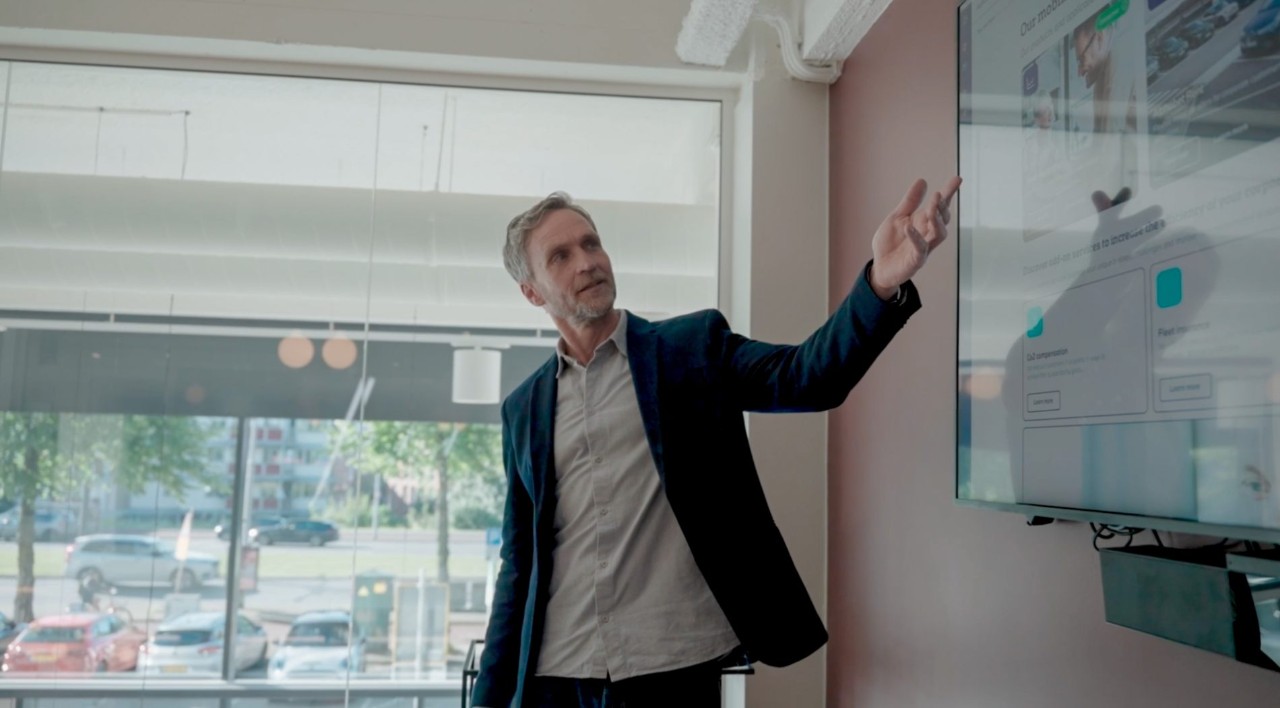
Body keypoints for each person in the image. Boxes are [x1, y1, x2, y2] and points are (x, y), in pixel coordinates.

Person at [472, 177, 960, 708]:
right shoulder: (523, 408)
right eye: (561, 256)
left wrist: (880, 286)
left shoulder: (690, 349)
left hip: (671, 667)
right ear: (531, 291)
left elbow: (808, 377)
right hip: (555, 674)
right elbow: (519, 562)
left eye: (591, 243)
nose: (587, 261)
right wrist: (487, 698)